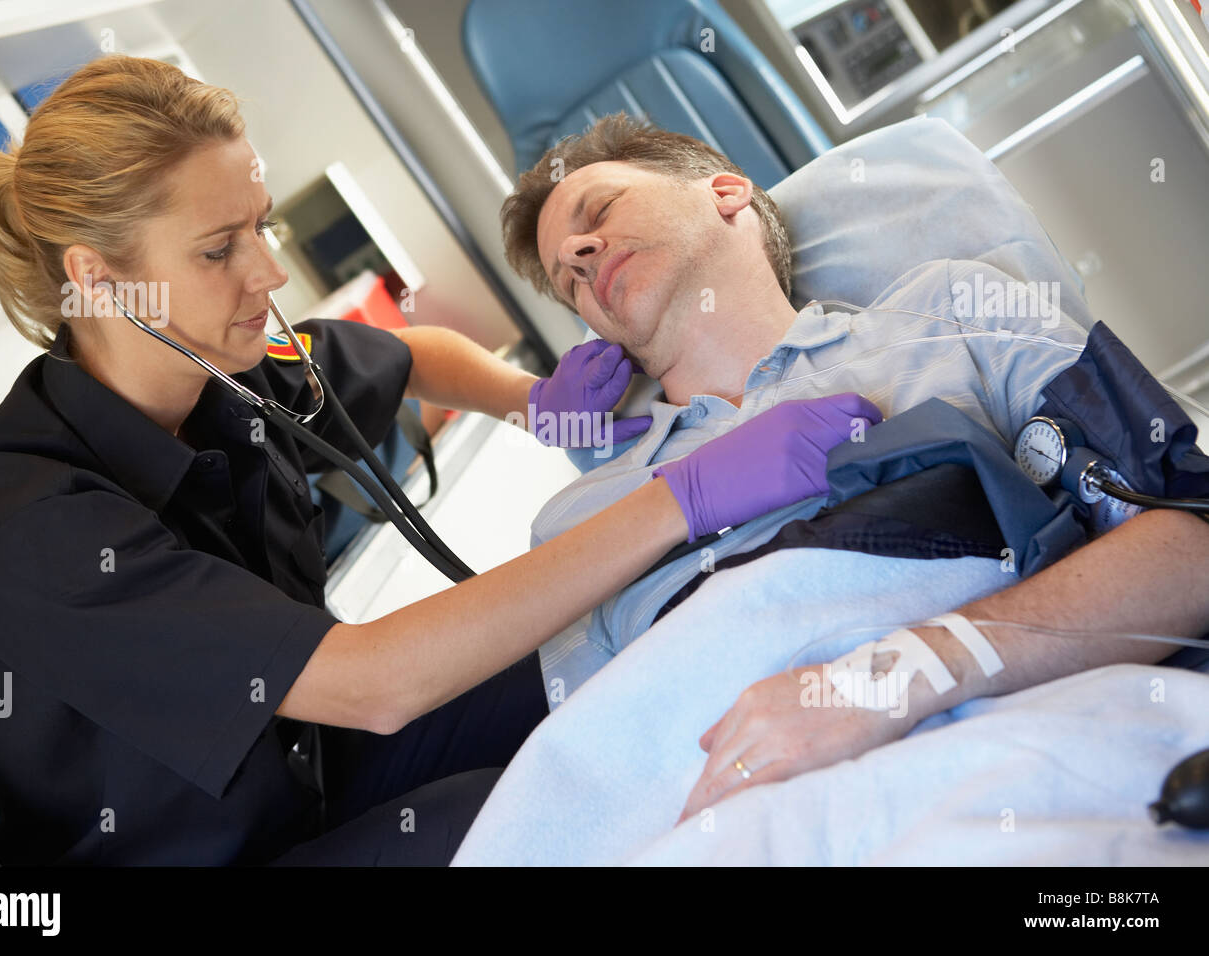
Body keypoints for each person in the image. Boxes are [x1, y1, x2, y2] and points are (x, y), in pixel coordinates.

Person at [0, 57, 880, 866]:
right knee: (521, 817)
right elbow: (374, 685)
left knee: (607, 656)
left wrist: (531, 404)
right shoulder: (36, 526)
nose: (269, 273)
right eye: (221, 248)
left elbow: (413, 355)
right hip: (224, 851)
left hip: (314, 765)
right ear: (99, 278)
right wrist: (681, 496)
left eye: (258, 223)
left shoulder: (221, 364)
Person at [451, 112, 1209, 863]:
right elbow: (601, 782)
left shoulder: (948, 314)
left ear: (725, 192)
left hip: (1002, 765)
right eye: (566, 280)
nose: (581, 258)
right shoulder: (580, 519)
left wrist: (890, 679)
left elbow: (1188, 543)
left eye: (600, 212)